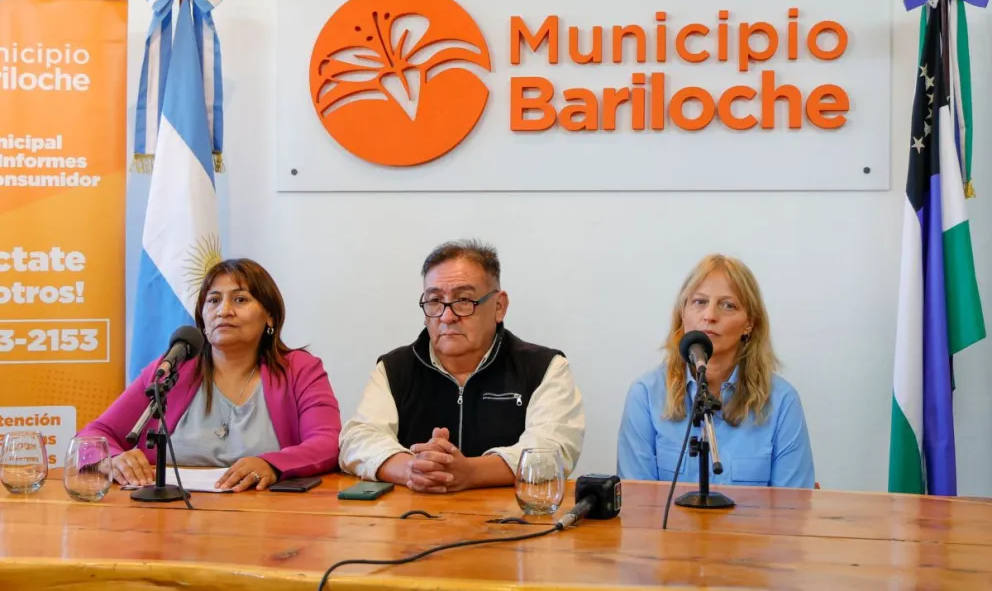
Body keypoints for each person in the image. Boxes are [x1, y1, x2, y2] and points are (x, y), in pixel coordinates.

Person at [338, 239, 585, 493]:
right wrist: (412, 469)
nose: (447, 316)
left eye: (464, 300)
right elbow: (358, 438)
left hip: (510, 515)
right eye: (435, 300)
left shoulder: (544, 368)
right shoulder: (394, 369)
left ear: (499, 306)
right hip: (413, 514)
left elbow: (553, 448)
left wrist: (471, 473)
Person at [78, 258, 342, 492]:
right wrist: (113, 459)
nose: (224, 310)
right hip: (169, 514)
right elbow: (93, 435)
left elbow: (327, 442)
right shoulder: (173, 368)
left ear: (270, 317)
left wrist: (272, 464)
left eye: (240, 299)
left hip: (266, 513)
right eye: (213, 300)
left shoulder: (299, 369)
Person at [616, 253, 815, 488]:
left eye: (727, 305)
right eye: (699, 302)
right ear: (682, 313)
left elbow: (793, 503)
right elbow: (636, 500)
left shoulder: (782, 402)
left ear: (749, 323)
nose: (710, 316)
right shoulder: (646, 395)